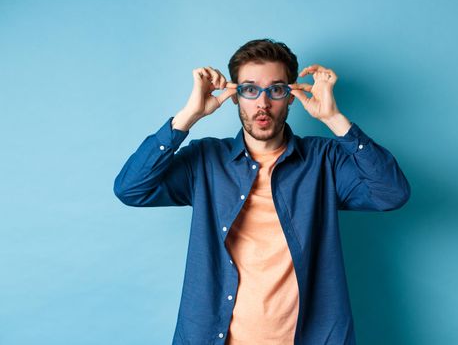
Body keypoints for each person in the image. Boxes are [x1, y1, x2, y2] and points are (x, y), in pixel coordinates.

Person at [113, 38, 411, 345]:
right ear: (234, 95)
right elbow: (131, 188)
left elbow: (391, 193)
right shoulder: (206, 160)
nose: (263, 103)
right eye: (250, 89)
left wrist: (335, 120)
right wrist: (188, 117)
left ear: (292, 96)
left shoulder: (324, 160)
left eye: (277, 90)